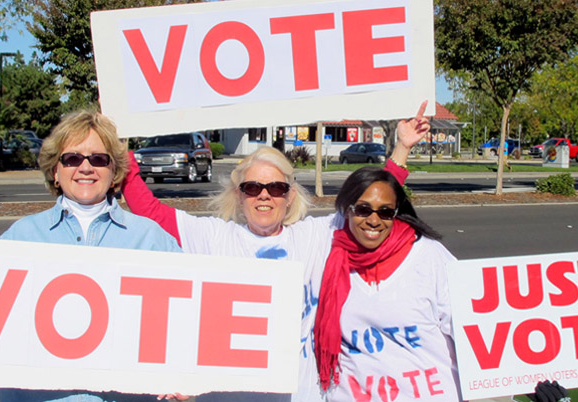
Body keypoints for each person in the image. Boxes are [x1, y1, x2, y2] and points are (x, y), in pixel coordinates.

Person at [120, 102, 432, 402]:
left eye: (277, 188)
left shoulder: (313, 236)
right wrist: (123, 149)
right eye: (253, 188)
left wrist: (401, 149)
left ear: (290, 195)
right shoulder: (213, 237)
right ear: (239, 196)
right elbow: (150, 212)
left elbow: (370, 205)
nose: (265, 196)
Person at [0, 110, 182, 402]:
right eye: (72, 159)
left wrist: (187, 381)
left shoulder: (152, 239)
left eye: (98, 159)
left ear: (114, 172)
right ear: (55, 171)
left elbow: (190, 321)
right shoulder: (21, 236)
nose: (85, 168)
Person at [313, 166, 461, 402]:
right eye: (363, 210)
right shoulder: (327, 258)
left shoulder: (430, 257)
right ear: (346, 210)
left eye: (385, 212)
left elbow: (472, 333)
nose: (373, 220)